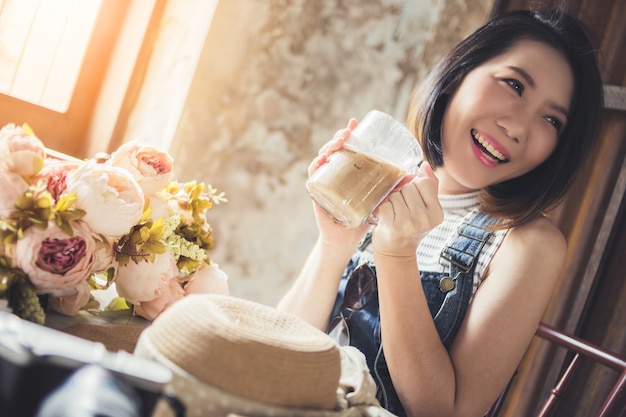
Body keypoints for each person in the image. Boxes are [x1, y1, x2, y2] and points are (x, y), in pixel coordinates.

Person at [277, 7, 604, 417]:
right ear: (458, 75)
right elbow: (279, 344)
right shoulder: (383, 180)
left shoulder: (526, 245)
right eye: (514, 85)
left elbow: (448, 411)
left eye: (552, 120)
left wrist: (397, 254)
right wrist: (334, 241)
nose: (518, 126)